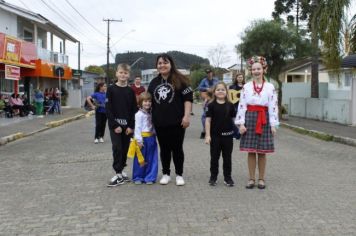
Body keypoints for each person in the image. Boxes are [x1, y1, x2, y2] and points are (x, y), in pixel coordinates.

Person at [148, 53, 193, 186]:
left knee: (177, 148)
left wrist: (186, 116)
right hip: (160, 123)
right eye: (160, 63)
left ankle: (179, 174)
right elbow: (148, 101)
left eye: (165, 62)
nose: (162, 65)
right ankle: (166, 174)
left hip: (178, 122)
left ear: (171, 64)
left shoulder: (181, 80)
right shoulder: (154, 82)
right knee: (164, 149)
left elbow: (188, 100)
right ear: (157, 66)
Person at [235, 56, 279, 189]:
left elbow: (273, 106)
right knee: (251, 151)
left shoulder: (270, 87)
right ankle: (251, 179)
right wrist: (241, 123)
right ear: (251, 71)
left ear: (264, 69)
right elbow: (242, 105)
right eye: (254, 69)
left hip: (264, 118)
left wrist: (273, 124)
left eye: (259, 68)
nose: (256, 71)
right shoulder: (246, 87)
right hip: (250, 118)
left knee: (262, 151)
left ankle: (261, 179)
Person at [106, 63, 138, 187]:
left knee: (125, 149)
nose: (123, 75)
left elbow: (134, 110)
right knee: (117, 148)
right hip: (115, 127)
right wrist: (115, 125)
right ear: (116, 73)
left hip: (127, 128)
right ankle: (118, 173)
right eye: (121, 72)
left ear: (128, 75)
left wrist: (131, 126)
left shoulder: (130, 91)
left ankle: (122, 171)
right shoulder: (111, 89)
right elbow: (108, 109)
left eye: (125, 73)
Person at [205, 82, 236, 187]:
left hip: (228, 137)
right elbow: (208, 121)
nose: (220, 91)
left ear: (226, 92)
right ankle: (213, 177)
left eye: (223, 89)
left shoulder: (230, 105)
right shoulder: (211, 105)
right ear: (214, 92)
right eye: (218, 90)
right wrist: (208, 135)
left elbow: (234, 119)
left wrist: (240, 127)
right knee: (214, 158)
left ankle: (228, 178)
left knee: (227, 158)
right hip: (215, 137)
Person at [129, 92, 158, 185]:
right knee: (140, 159)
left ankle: (150, 177)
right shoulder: (138, 114)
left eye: (149, 101)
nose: (147, 103)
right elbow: (137, 128)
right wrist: (139, 140)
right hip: (142, 139)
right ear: (140, 102)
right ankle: (138, 177)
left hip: (151, 138)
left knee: (151, 158)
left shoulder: (151, 114)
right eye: (145, 101)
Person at [197, 69, 219, 139]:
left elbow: (220, 87)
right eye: (207, 73)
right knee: (205, 116)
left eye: (210, 72)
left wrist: (214, 89)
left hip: (215, 99)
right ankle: (204, 131)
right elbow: (199, 87)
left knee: (215, 116)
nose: (209, 74)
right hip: (207, 100)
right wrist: (207, 88)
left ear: (212, 73)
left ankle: (212, 131)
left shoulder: (216, 80)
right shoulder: (204, 80)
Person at [229, 73, 245, 139]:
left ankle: (241, 133)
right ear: (236, 78)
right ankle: (236, 134)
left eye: (241, 77)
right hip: (234, 105)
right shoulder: (232, 86)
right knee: (234, 119)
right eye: (238, 77)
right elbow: (230, 95)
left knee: (243, 119)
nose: (240, 78)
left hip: (243, 105)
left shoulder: (245, 86)